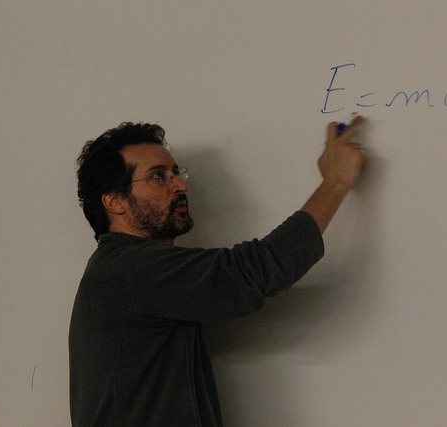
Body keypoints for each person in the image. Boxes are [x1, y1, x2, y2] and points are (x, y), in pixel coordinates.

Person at [69, 117, 367, 426]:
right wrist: (335, 182)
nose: (181, 185)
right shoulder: (128, 269)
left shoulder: (125, 270)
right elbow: (251, 271)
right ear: (115, 202)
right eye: (158, 176)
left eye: (176, 172)